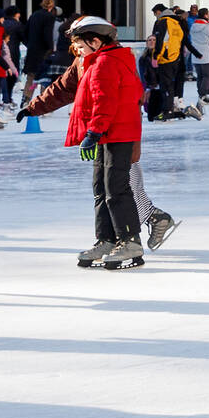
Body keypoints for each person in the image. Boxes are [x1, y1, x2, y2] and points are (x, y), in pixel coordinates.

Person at [55, 15, 149, 269]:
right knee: (101, 188)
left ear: (95, 41)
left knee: (115, 189)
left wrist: (93, 132)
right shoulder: (104, 60)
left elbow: (105, 102)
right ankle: (107, 239)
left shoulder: (106, 62)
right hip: (109, 133)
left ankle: (130, 240)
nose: (78, 52)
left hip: (116, 134)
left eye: (82, 46)